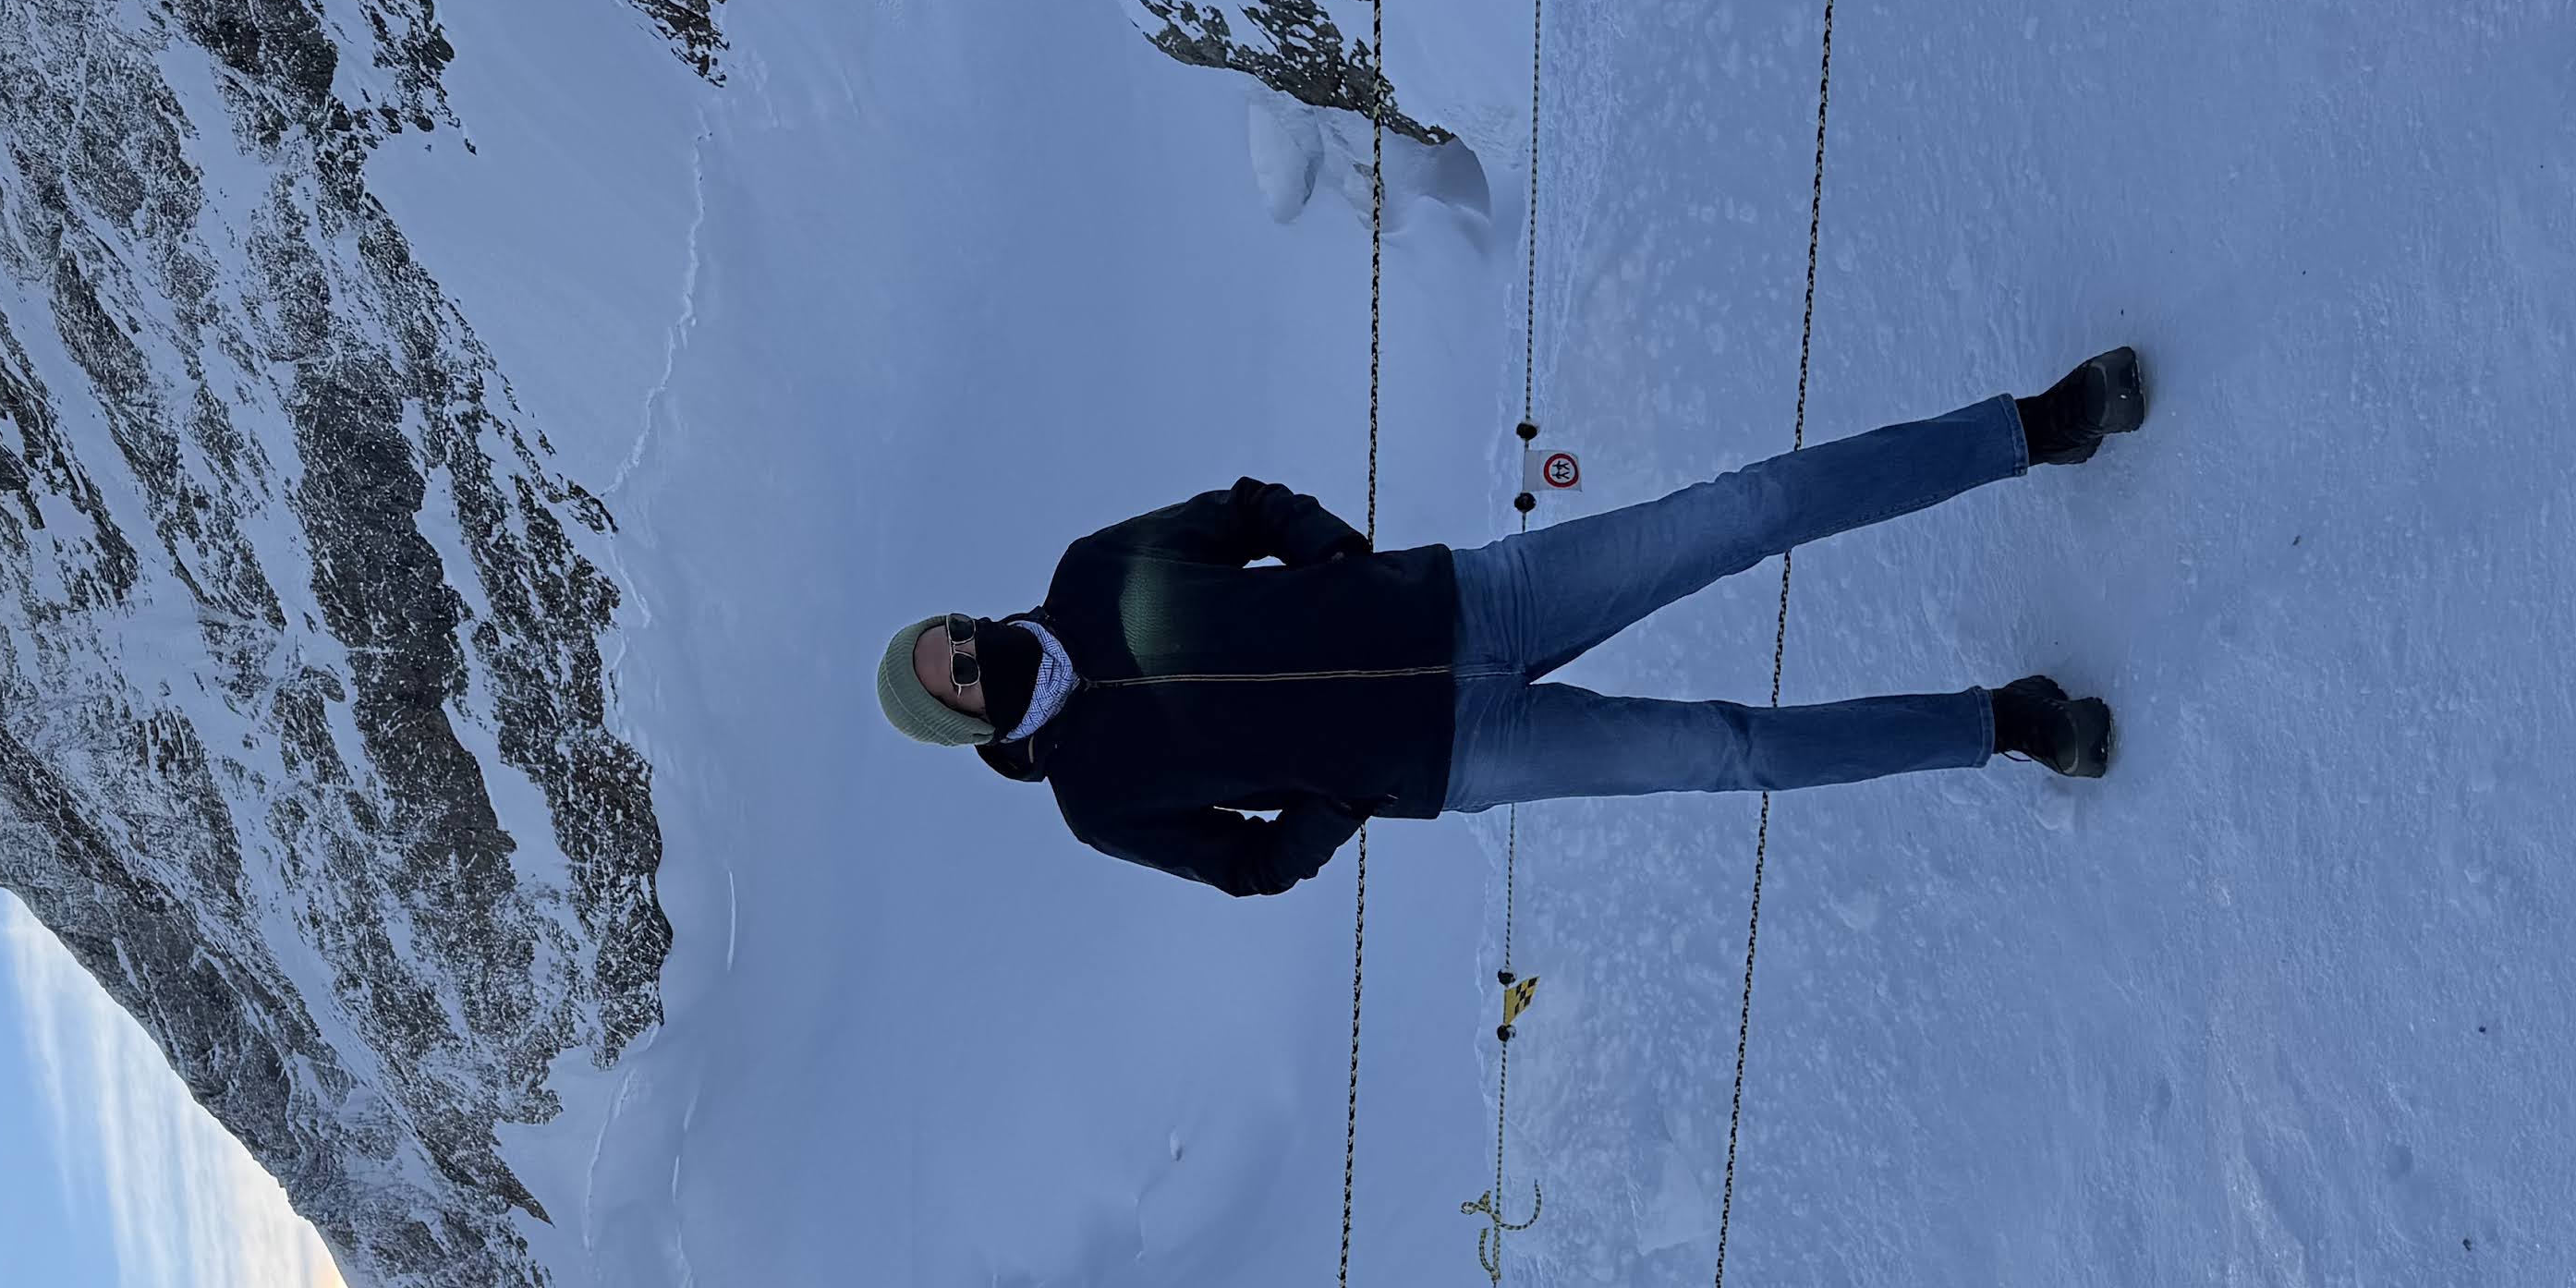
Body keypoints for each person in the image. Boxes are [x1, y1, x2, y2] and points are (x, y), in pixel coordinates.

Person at [870, 353, 2144, 897]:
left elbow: (1244, 508)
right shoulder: (1095, 804)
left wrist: (1341, 564)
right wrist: (1346, 785)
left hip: (1472, 594)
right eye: (960, 678)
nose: (980, 652)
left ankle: (2031, 429)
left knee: (1743, 510)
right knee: (1728, 751)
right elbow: (1248, 865)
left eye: (961, 634)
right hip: (1461, 754)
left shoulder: (1090, 574)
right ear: (961, 725)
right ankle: (2006, 724)